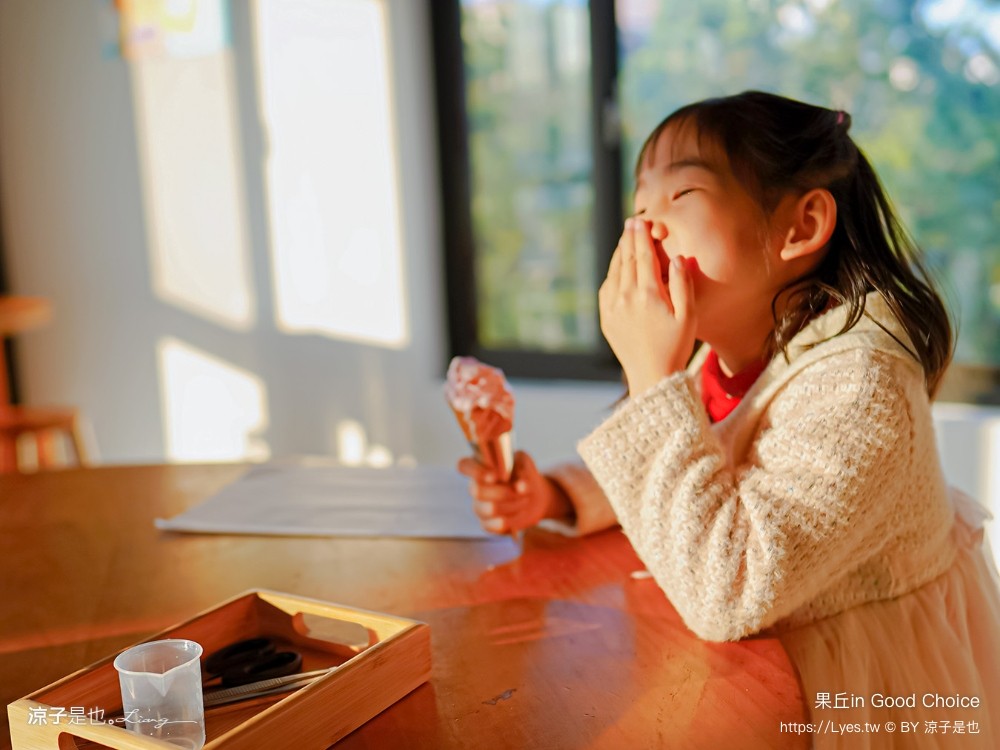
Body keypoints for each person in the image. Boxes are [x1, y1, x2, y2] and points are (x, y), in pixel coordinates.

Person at [457, 91, 1000, 748]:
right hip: (762, 669)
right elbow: (700, 462)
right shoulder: (723, 358)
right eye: (639, 207)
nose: (643, 229)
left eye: (682, 196)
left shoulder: (861, 382)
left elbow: (730, 588)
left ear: (799, 227)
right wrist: (554, 494)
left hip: (865, 689)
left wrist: (650, 377)